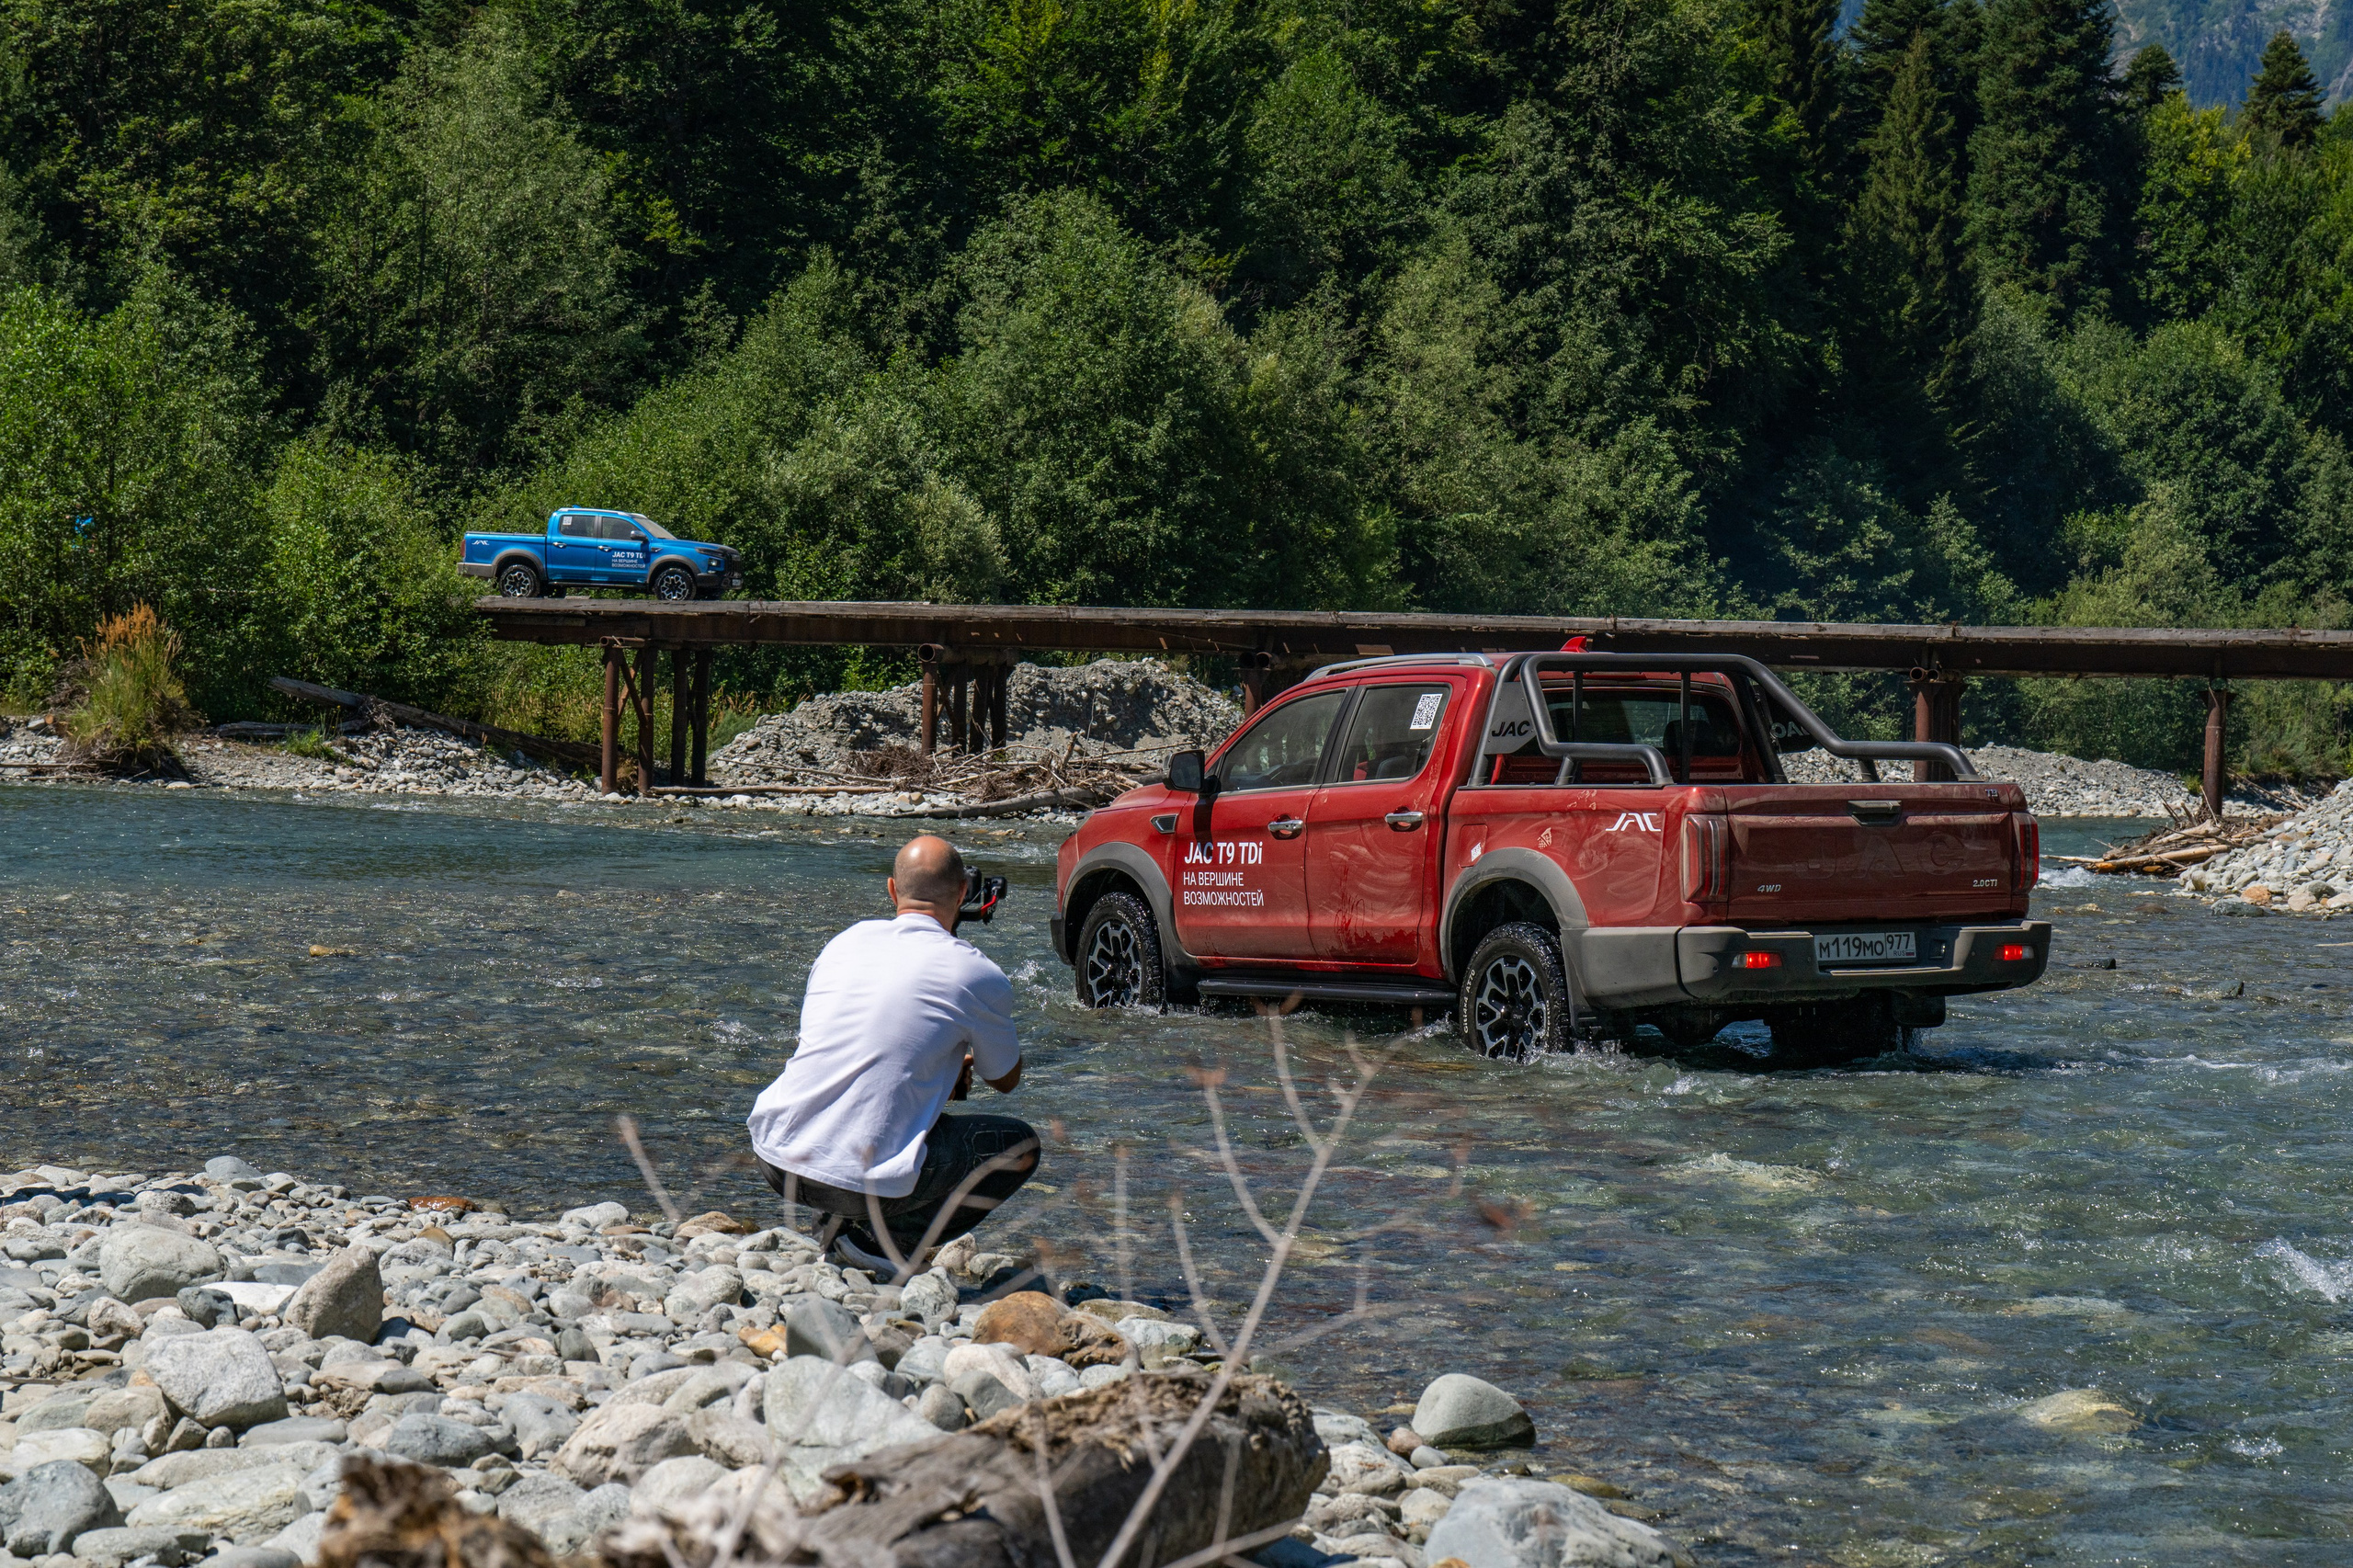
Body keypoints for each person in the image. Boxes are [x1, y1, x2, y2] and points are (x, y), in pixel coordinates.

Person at [745, 834, 1037, 1273]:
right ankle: (883, 1245)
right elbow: (1005, 1078)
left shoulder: (844, 942)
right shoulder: (977, 973)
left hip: (776, 1159)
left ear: (891, 890)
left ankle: (838, 1233)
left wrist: (937, 1060)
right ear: (963, 893)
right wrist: (957, 1058)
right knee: (1020, 1145)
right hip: (855, 1182)